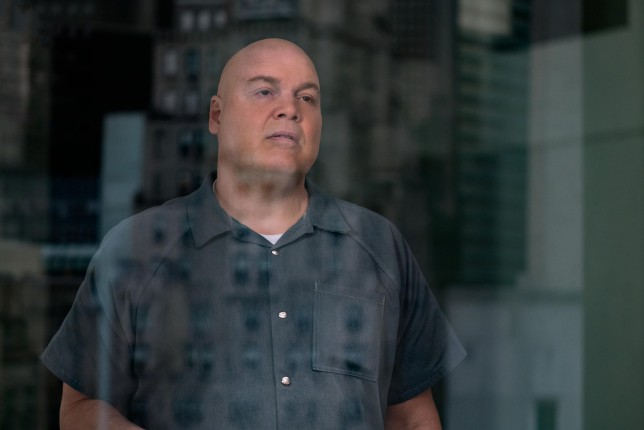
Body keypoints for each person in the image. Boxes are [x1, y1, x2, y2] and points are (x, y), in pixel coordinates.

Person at [42, 38, 466, 429]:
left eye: (307, 97)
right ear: (216, 115)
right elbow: (81, 406)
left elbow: (412, 416)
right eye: (265, 91)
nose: (290, 109)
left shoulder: (378, 246)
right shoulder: (137, 248)